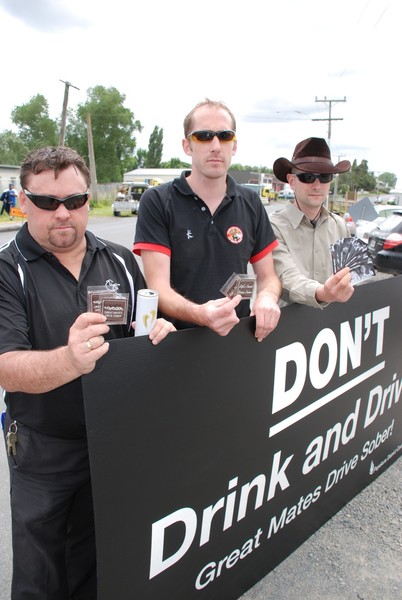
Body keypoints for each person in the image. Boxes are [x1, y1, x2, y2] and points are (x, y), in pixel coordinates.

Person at [0, 146, 175, 600]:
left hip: (112, 443)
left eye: (75, 201)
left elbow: (142, 326)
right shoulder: (7, 270)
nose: (64, 213)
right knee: (41, 574)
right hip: (44, 449)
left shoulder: (118, 259)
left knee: (98, 561)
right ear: (23, 201)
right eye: (47, 202)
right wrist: (69, 359)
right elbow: (6, 368)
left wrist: (158, 331)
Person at [133, 98, 281, 340]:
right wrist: (201, 314)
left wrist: (267, 297)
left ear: (234, 146)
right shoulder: (157, 200)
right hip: (175, 345)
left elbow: (268, 276)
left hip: (237, 342)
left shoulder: (251, 202)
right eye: (203, 136)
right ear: (187, 145)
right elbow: (158, 287)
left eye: (224, 136)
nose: (215, 145)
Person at [269, 137, 355, 308]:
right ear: (292, 181)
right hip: (288, 328)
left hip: (331, 326)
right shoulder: (272, 226)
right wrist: (322, 293)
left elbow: (350, 276)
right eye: (307, 177)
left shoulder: (340, 226)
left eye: (324, 177)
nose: (317, 185)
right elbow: (286, 277)